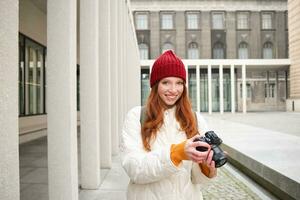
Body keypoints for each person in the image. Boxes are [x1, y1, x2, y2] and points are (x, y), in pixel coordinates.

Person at [120, 50, 217, 200]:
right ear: (155, 85)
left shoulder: (195, 118)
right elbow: (135, 169)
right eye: (166, 82)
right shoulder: (136, 116)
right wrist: (177, 153)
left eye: (179, 83)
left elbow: (197, 180)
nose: (173, 90)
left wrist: (207, 167)